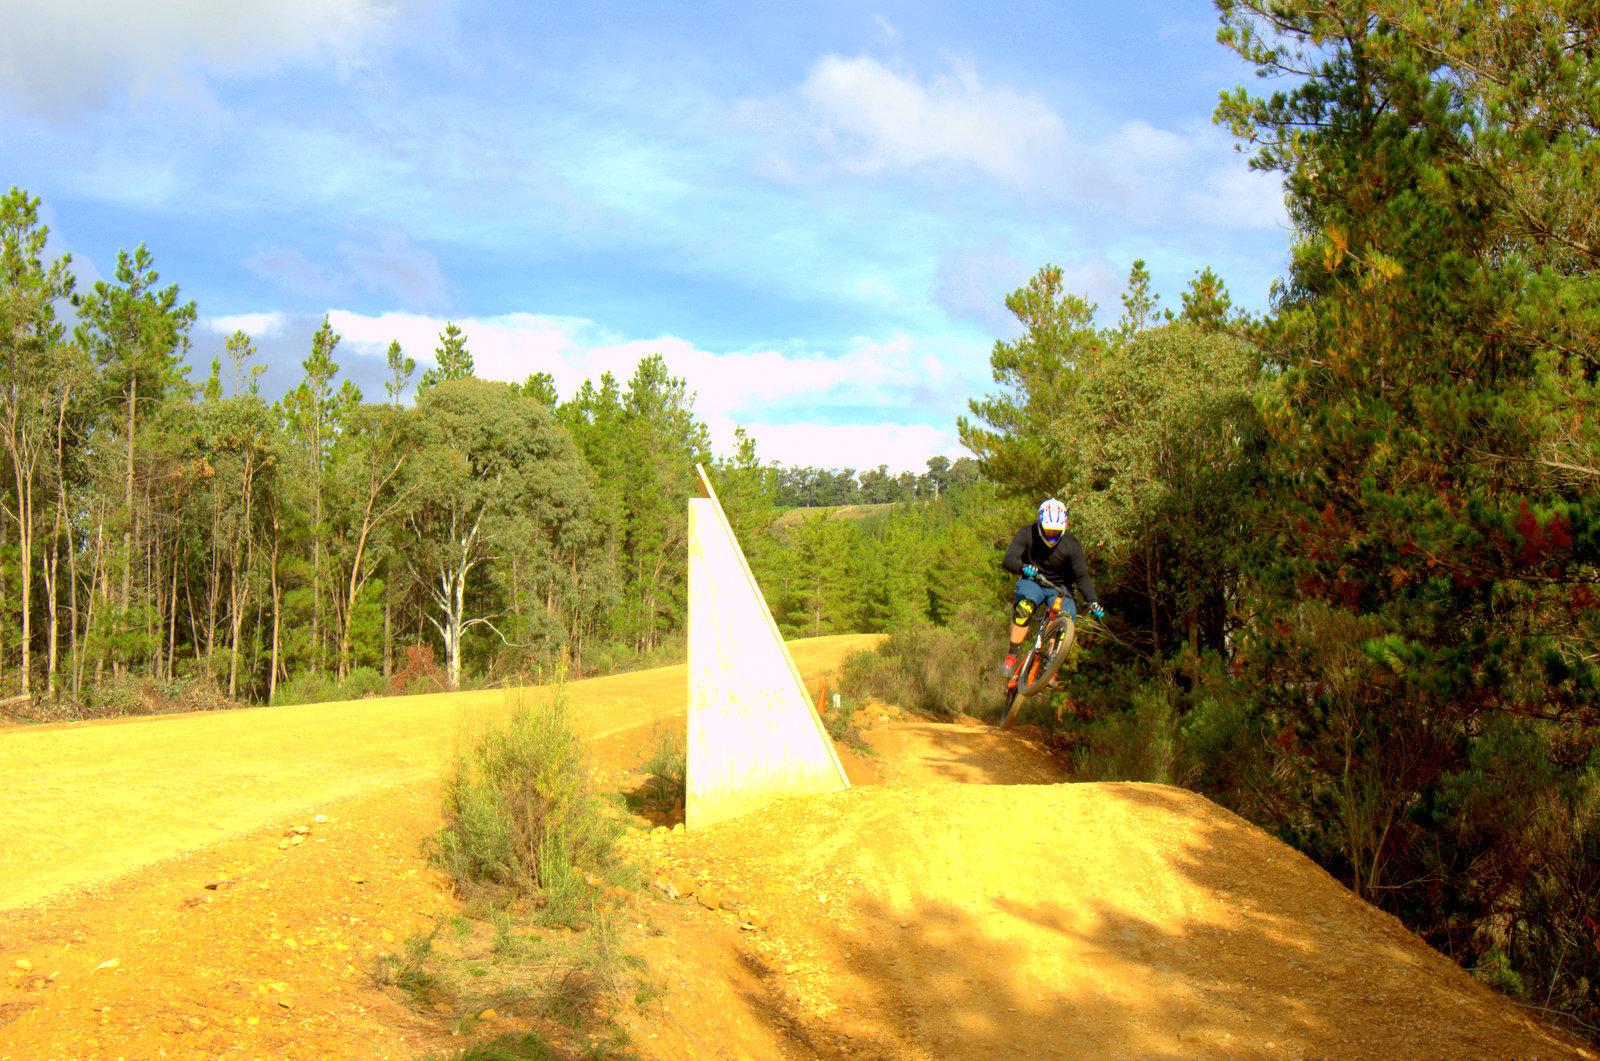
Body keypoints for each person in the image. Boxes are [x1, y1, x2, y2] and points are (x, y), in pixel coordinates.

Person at [1000, 498, 1104, 678]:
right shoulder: (1026, 534)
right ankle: (1012, 655)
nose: (1051, 535)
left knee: (1065, 620)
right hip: (1033, 581)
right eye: (1048, 530)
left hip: (1061, 589)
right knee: (1024, 608)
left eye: (1056, 531)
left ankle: (1050, 660)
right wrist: (1023, 567)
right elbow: (1008, 559)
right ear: (1039, 524)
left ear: (1065, 526)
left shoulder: (1072, 545)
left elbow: (1081, 576)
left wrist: (1093, 601)